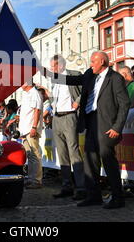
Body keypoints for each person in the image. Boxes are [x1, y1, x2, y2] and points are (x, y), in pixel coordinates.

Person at [43, 51, 130, 209]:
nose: (90, 65)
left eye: (93, 62)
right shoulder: (90, 74)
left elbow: (124, 104)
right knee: (90, 161)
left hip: (106, 125)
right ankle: (94, 196)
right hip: (90, 122)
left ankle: (118, 197)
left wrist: (117, 127)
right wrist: (46, 73)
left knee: (108, 160)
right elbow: (71, 79)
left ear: (102, 62)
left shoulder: (115, 78)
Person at [47, 54, 86, 200]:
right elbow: (54, 97)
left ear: (61, 65)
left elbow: (86, 90)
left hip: (70, 116)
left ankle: (81, 187)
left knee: (74, 152)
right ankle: (66, 186)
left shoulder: (74, 75)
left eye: (53, 66)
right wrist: (50, 99)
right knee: (62, 154)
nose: (51, 69)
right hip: (56, 117)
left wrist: (77, 101)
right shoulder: (54, 79)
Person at [19, 79, 43, 189]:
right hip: (25, 129)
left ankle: (37, 180)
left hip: (30, 128)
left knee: (34, 154)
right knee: (30, 155)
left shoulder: (34, 93)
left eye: (22, 81)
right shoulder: (27, 94)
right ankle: (31, 178)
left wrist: (34, 127)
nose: (20, 84)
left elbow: (36, 110)